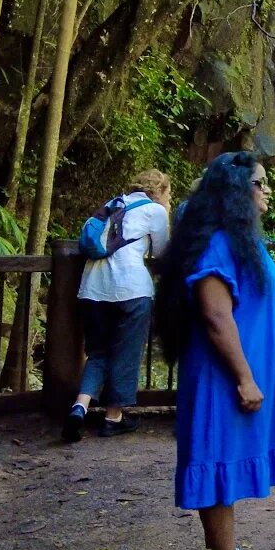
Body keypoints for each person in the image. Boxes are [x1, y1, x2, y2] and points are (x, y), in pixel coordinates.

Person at [153, 152, 275, 550]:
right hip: (221, 375)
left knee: (223, 460)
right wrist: (244, 377)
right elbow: (215, 315)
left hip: (237, 373)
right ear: (237, 190)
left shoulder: (239, 239)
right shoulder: (217, 244)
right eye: (260, 183)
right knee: (215, 459)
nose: (268, 190)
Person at [63, 169, 171, 442]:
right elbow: (162, 252)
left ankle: (80, 406)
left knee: (98, 352)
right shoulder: (154, 211)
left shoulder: (114, 204)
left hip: (93, 288)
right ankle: (113, 417)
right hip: (131, 290)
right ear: (160, 191)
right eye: (168, 193)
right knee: (126, 352)